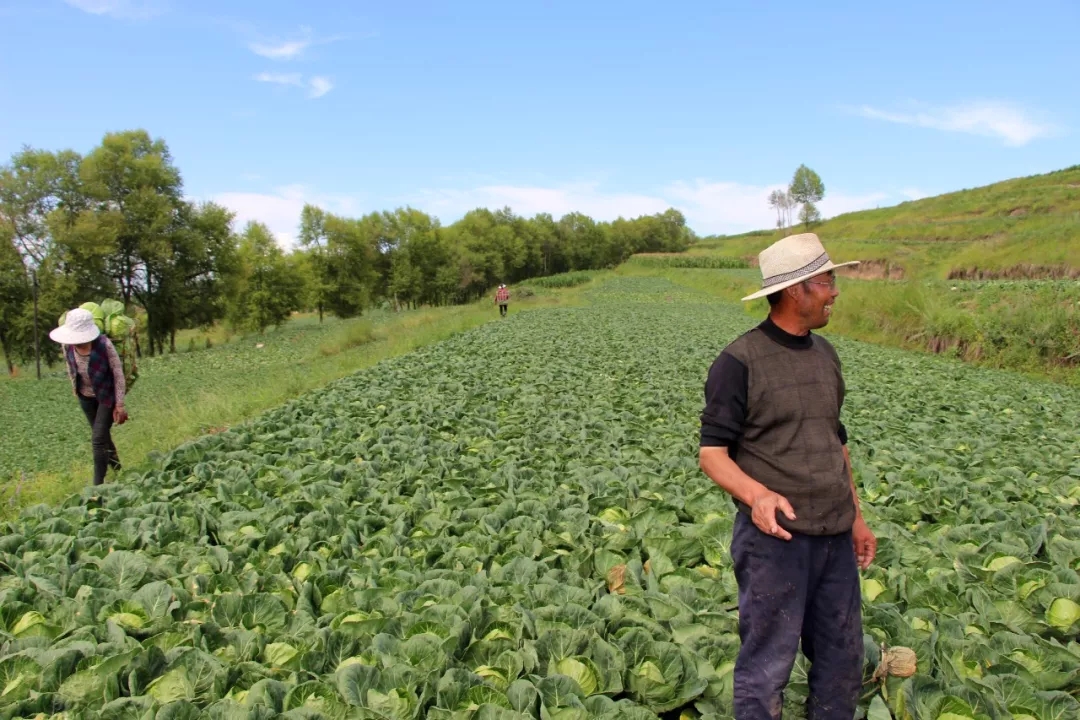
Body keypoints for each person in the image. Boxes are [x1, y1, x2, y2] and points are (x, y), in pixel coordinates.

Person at [698, 232, 876, 720]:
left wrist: (856, 518)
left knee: (842, 661)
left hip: (835, 538)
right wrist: (758, 496)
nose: (835, 291)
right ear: (796, 290)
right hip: (775, 542)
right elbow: (712, 454)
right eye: (827, 281)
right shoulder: (739, 361)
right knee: (767, 667)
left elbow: (835, 443)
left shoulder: (827, 356)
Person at [49, 308, 128, 486]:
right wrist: (74, 388)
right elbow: (70, 367)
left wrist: (120, 404)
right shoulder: (67, 345)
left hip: (105, 397)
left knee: (98, 439)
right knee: (103, 436)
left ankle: (97, 485)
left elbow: (118, 373)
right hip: (85, 397)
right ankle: (119, 471)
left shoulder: (104, 345)